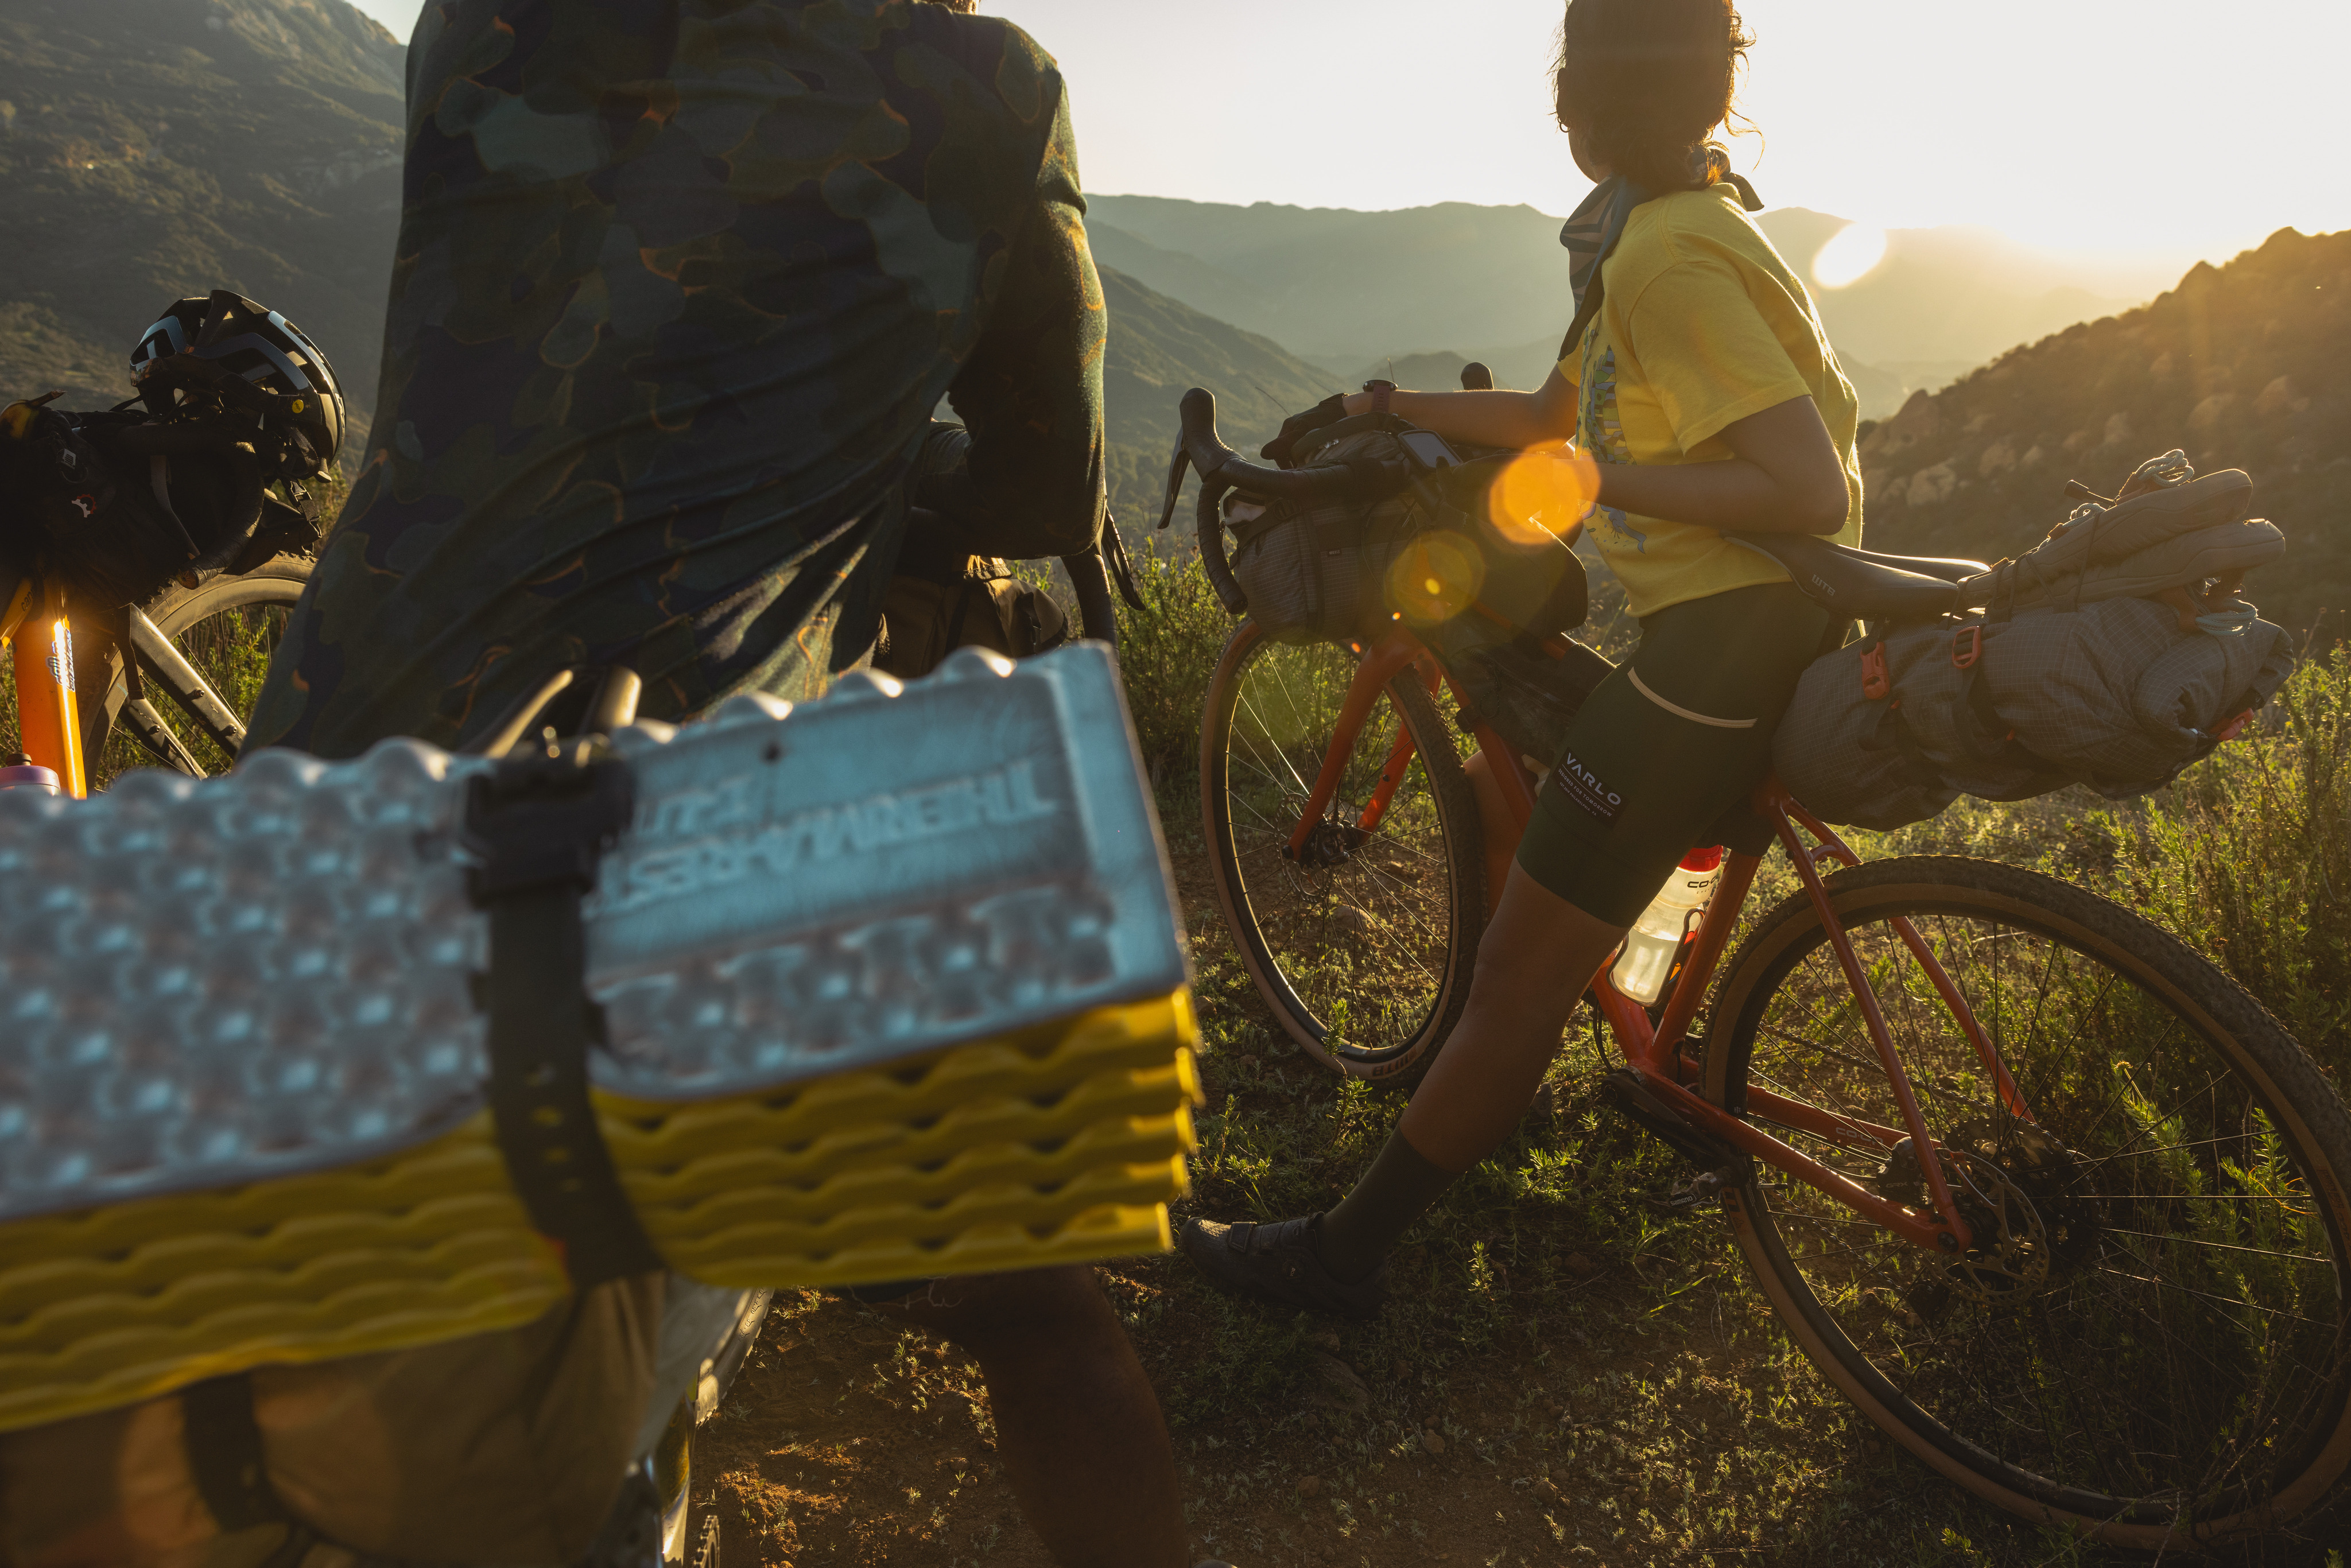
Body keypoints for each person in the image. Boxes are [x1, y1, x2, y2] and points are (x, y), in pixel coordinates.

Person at [42, 2, 1196, 1566]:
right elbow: (1046, 479)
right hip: (676, 809)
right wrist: (882, 461)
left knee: (313, 1319)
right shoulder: (978, 85)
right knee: (1022, 1297)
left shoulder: (473, 27)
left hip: (330, 769)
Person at [1180, 0, 1861, 1318]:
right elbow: (1554, 410)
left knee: (1512, 981)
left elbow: (1803, 487)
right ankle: (1658, 1067)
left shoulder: (1661, 257)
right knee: (1522, 807)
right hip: (1741, 634)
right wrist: (1392, 405)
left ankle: (1337, 1261)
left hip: (1720, 646)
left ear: (1578, 109)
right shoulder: (1679, 232)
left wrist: (1606, 482)